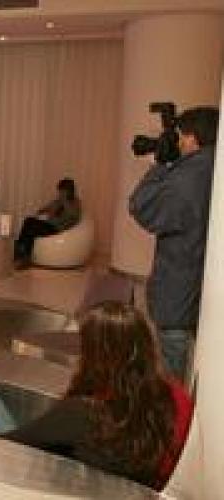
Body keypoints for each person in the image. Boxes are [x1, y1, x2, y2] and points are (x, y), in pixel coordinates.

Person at [0, 302, 193, 491]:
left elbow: (10, 443)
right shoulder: (175, 397)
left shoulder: (84, 414)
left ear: (97, 354)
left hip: (38, 482)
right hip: (114, 484)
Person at [129, 106, 219, 382]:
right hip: (198, 290)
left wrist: (160, 164)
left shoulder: (188, 178)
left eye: (179, 136)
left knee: (172, 379)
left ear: (192, 138)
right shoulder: (213, 168)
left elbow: (141, 206)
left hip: (178, 296)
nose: (178, 143)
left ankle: (171, 409)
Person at [15, 177, 81, 264]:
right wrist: (42, 211)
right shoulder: (58, 201)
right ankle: (22, 252)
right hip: (49, 225)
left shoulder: (75, 203)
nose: (60, 193)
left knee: (31, 226)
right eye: (60, 191)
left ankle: (23, 253)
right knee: (29, 222)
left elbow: (73, 215)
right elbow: (48, 207)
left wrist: (64, 201)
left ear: (68, 191)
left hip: (58, 229)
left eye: (62, 191)